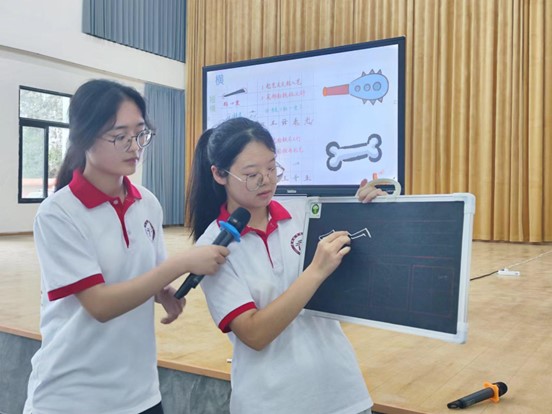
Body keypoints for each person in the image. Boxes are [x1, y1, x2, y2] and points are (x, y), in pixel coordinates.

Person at [24, 79, 229, 414]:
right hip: (72, 399)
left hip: (140, 394)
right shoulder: (58, 213)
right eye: (120, 136)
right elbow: (100, 304)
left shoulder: (147, 203)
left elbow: (146, 273)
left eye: (140, 134)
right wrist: (182, 263)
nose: (135, 146)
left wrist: (162, 292)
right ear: (84, 137)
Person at [186, 117, 386, 414]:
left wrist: (373, 213)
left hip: (342, 394)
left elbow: (360, 277)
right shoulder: (212, 248)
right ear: (219, 174)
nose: (266, 181)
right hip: (271, 403)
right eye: (252, 174)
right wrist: (315, 272)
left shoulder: (305, 213)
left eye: (272, 168)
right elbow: (254, 334)